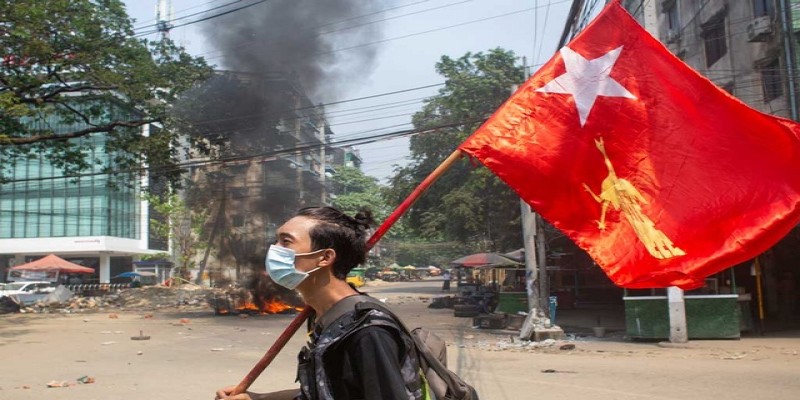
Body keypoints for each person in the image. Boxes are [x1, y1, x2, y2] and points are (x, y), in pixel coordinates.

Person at [215, 207, 425, 400]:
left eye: (286, 242)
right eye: (276, 241)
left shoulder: (367, 331)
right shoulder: (326, 319)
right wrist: (258, 398)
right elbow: (323, 392)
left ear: (325, 257)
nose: (274, 249)